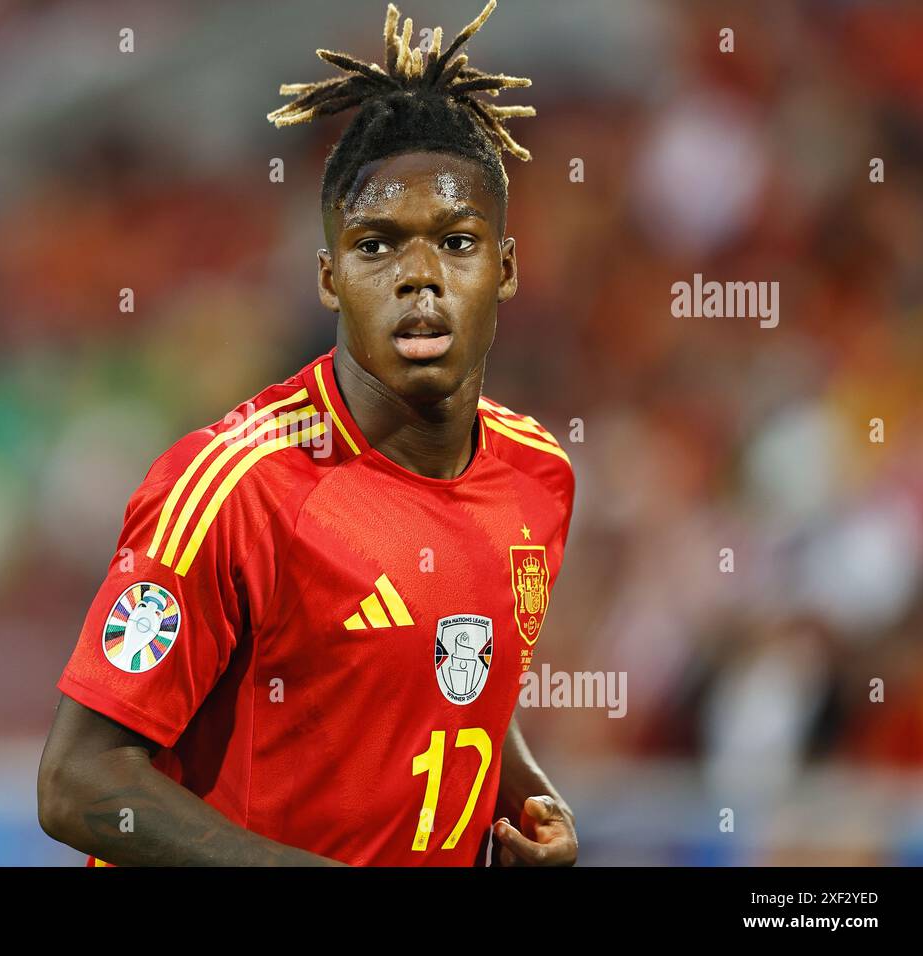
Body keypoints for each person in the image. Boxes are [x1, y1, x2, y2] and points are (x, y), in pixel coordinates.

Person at [38, 0, 577, 866]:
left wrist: (531, 802)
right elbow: (79, 783)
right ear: (329, 278)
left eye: (458, 241)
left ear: (504, 266)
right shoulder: (232, 489)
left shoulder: (539, 476)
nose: (420, 277)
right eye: (377, 247)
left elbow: (452, 669)